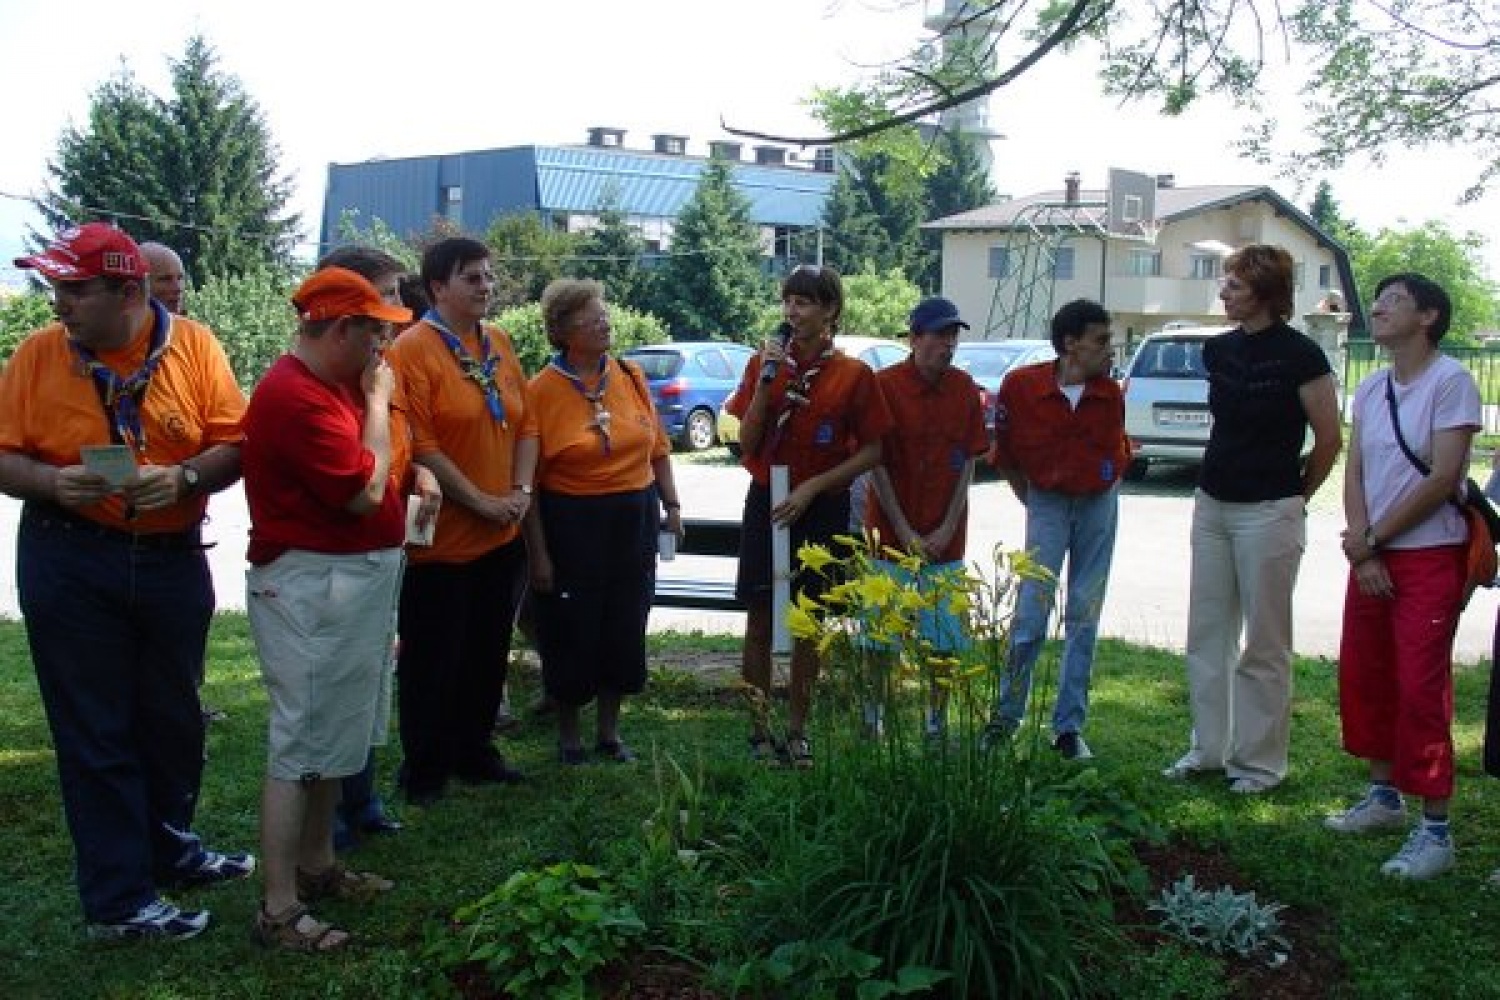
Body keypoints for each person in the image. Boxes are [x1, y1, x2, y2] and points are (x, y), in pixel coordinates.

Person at [0, 223, 252, 940]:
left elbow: (234, 442)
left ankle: (171, 852)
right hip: (72, 555)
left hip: (173, 556)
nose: (59, 304)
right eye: (56, 288)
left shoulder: (195, 346)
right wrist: (52, 482)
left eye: (76, 290)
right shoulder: (38, 354)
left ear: (131, 290)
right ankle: (118, 901)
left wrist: (185, 476)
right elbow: (2, 456)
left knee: (172, 720)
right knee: (96, 731)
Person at [242, 266, 415, 950]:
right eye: (375, 331)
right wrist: (377, 403)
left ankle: (317, 863)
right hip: (315, 585)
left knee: (336, 731)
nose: (383, 347)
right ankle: (277, 908)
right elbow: (362, 494)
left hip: (349, 581)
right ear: (340, 328)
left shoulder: (332, 383)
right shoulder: (296, 394)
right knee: (303, 740)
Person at [1163, 244, 1343, 794]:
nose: (1224, 293)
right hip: (1213, 503)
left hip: (1270, 509)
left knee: (1264, 641)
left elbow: (1329, 440)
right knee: (1207, 632)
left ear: (1265, 293)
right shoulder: (1217, 351)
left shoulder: (1302, 356)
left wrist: (1295, 497)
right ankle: (1208, 749)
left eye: (1235, 286)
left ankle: (1259, 764)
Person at [1323, 273, 1479, 881]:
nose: (1379, 308)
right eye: (1380, 299)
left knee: (1421, 687)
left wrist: (1376, 539)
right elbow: (1356, 470)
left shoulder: (1452, 383)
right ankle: (1383, 798)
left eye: (1395, 301)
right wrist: (1363, 552)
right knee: (1369, 675)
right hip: (1373, 556)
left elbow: (1443, 477)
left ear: (1428, 317)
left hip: (1428, 554)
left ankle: (1435, 831)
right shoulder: (1371, 388)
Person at [725, 264, 894, 767]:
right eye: (788, 302)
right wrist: (763, 385)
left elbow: (873, 451)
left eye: (804, 303)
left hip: (821, 504)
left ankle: (798, 730)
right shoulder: (765, 364)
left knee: (810, 621)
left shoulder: (852, 375)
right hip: (767, 499)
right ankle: (758, 731)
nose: (792, 313)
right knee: (759, 616)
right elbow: (748, 442)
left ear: (830, 311)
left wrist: (816, 486)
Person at [385, 237, 535, 803]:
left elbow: (528, 424)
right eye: (471, 277)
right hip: (444, 539)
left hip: (503, 533)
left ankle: (475, 750)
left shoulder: (498, 341)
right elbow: (419, 443)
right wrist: (480, 500)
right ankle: (424, 767)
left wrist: (518, 491)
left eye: (489, 276)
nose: (485, 286)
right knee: (432, 658)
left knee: (486, 651)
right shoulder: (412, 350)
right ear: (437, 287)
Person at [523, 278, 682, 764]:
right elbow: (528, 485)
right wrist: (540, 554)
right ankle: (569, 736)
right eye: (592, 318)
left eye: (605, 314)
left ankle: (609, 733)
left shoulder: (631, 376)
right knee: (570, 628)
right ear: (564, 330)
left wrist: (672, 508)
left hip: (632, 517)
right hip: (573, 522)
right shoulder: (541, 391)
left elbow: (657, 450)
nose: (605, 323)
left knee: (625, 621)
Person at [315, 246, 439, 848]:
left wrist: (420, 474)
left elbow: (394, 445)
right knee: (337, 688)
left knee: (369, 680)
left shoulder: (378, 371)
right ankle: (332, 818)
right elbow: (360, 475)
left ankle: (361, 801)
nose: (400, 307)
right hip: (338, 562)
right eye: (389, 294)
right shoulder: (331, 385)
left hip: (382, 552)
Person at [984, 299, 1130, 760]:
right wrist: (1033, 499)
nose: (1110, 350)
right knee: (1030, 613)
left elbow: (1115, 452)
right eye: (1101, 341)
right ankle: (1005, 718)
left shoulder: (1110, 393)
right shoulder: (1021, 387)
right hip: (1046, 500)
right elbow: (1004, 453)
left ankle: (1068, 727)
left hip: (1097, 504)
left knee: (1084, 613)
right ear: (1071, 344)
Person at [864, 296, 988, 739]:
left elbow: (970, 461)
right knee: (879, 637)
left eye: (953, 335)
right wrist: (904, 530)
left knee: (947, 638)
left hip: (946, 540)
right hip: (889, 534)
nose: (948, 344)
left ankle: (936, 721)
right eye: (938, 335)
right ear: (914, 339)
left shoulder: (965, 388)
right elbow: (875, 463)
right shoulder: (884, 385)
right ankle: (873, 714)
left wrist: (948, 526)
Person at [140, 241, 187, 314]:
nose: (178, 288)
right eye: (166, 279)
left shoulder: (193, 325)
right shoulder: (119, 324)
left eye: (180, 278)